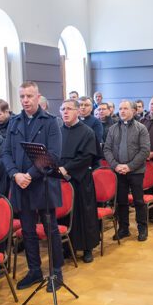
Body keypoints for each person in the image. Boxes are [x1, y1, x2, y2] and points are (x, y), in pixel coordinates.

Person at [3, 81, 66, 291]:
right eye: (22, 96)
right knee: (28, 230)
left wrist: (29, 175)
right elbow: (6, 153)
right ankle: (34, 271)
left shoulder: (50, 122)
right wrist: (15, 175)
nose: (25, 100)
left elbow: (54, 155)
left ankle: (56, 272)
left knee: (51, 230)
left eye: (29, 96)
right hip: (21, 185)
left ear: (38, 97)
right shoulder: (14, 122)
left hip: (43, 184)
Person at [57, 99, 99, 263]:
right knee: (64, 215)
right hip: (61, 179)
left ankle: (87, 248)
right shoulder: (58, 131)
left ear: (77, 111)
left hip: (80, 179)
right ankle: (68, 247)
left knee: (84, 214)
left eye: (69, 109)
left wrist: (67, 168)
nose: (65, 112)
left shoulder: (87, 132)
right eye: (62, 109)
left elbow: (86, 157)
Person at [103, 100, 151, 242]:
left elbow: (144, 151)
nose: (122, 111)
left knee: (138, 201)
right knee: (121, 201)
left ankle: (142, 228)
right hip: (118, 172)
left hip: (136, 171)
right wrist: (116, 165)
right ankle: (123, 228)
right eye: (120, 109)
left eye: (125, 108)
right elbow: (107, 149)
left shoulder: (141, 128)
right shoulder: (112, 129)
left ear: (133, 111)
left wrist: (129, 166)